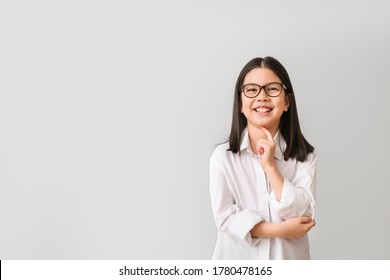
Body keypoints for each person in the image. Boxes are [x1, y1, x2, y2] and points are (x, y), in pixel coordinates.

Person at [209, 56, 317, 260]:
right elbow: (225, 217)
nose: (262, 97)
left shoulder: (305, 157)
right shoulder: (223, 158)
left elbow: (300, 217)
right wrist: (280, 231)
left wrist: (270, 168)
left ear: (286, 101)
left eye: (272, 89)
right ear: (240, 103)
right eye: (251, 90)